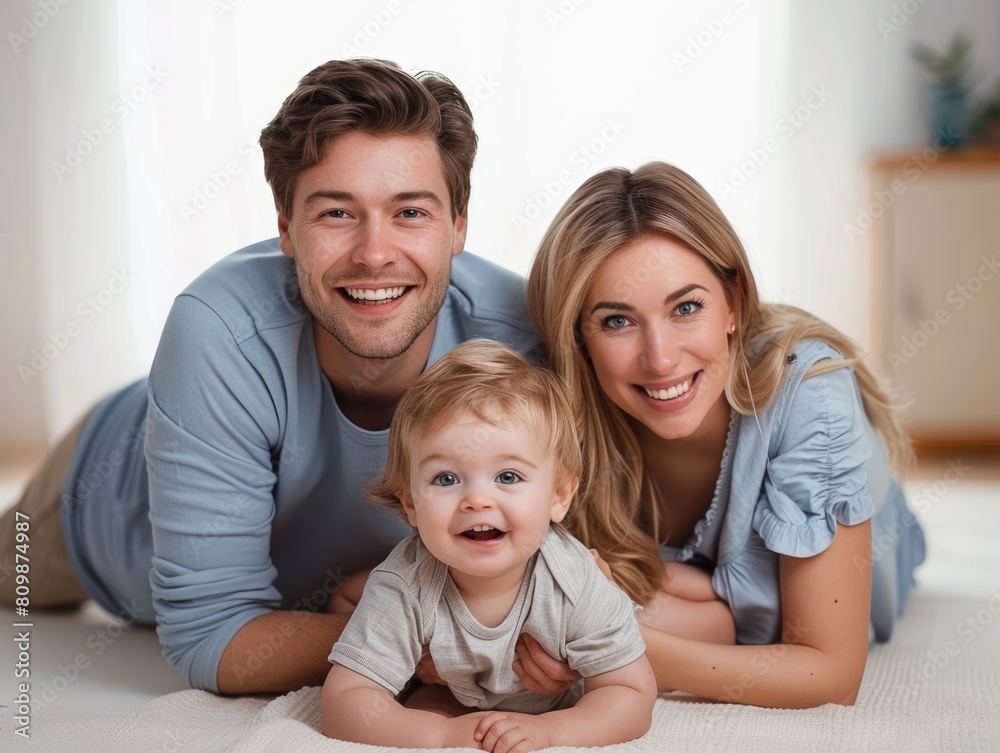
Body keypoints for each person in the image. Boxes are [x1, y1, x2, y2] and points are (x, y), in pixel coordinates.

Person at [0, 59, 538, 696]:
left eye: (410, 212)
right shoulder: (216, 329)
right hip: (102, 495)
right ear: (286, 227)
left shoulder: (523, 342)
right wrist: (421, 638)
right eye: (336, 213)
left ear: (458, 227)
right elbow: (210, 635)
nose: (374, 253)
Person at [520, 161, 926, 709]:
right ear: (579, 337)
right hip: (692, 593)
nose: (660, 359)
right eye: (617, 321)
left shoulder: (811, 394)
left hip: (875, 555)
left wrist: (609, 643)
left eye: (686, 307)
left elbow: (829, 673)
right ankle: (721, 597)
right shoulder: (554, 406)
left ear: (732, 303)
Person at [322, 339, 659, 752]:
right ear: (410, 502)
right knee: (425, 706)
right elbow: (344, 701)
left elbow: (631, 693)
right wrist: (441, 735)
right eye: (446, 479)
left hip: (552, 705)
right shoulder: (404, 584)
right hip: (449, 697)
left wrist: (552, 732)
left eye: (508, 477)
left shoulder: (574, 581)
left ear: (558, 495)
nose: (477, 500)